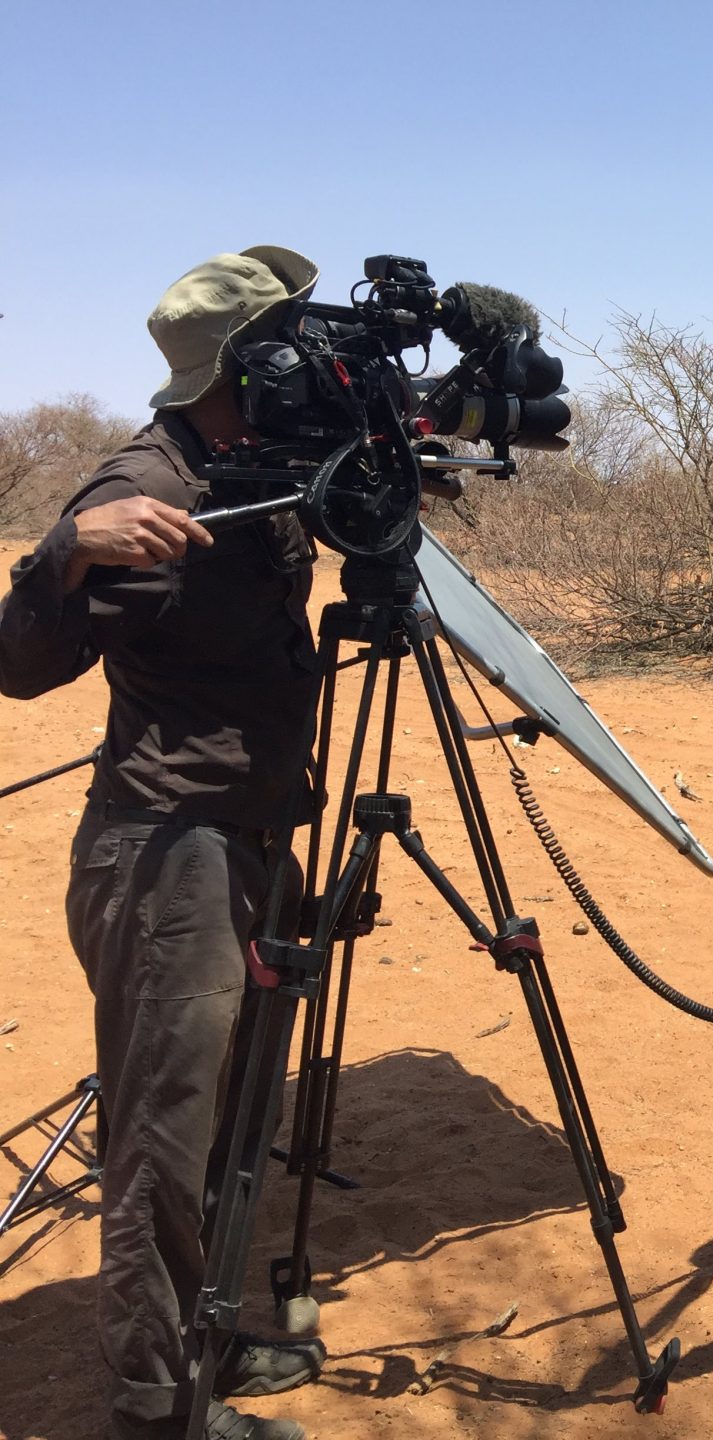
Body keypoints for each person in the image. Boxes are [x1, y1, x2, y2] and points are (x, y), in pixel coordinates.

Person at [0, 250, 329, 1440]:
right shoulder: (151, 484)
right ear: (242, 363)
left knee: (241, 1108)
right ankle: (156, 1405)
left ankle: (216, 1333)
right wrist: (69, 550)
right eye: (291, 341)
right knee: (163, 1138)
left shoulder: (264, 460)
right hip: (164, 851)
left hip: (245, 831)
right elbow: (18, 666)